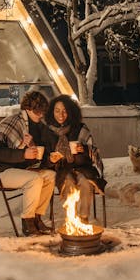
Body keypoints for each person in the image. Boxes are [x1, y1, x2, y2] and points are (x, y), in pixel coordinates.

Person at [0, 91, 56, 236]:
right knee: (35, 179)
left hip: (17, 170)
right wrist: (23, 153)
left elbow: (38, 153)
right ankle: (28, 222)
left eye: (43, 112)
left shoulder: (36, 126)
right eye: (38, 112)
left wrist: (46, 155)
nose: (41, 115)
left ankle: (37, 218)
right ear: (28, 109)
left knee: (50, 176)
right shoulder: (12, 123)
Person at [45, 94, 105, 224]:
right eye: (57, 110)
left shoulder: (80, 128)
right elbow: (45, 160)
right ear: (52, 112)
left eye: (65, 111)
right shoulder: (47, 131)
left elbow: (91, 157)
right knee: (69, 183)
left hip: (82, 168)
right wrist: (52, 160)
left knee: (86, 182)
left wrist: (82, 150)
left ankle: (83, 219)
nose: (61, 114)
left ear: (71, 112)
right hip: (61, 169)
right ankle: (71, 218)